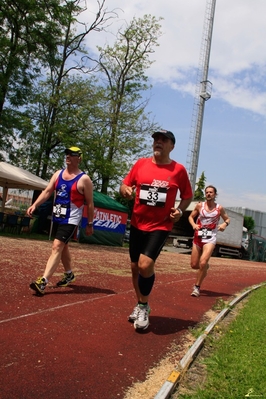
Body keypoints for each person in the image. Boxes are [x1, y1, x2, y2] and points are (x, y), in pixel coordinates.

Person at [120, 129, 193, 330]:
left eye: (164, 140)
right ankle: (140, 303)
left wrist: (179, 210)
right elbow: (125, 184)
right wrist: (125, 190)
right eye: (156, 139)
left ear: (172, 146)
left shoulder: (178, 170)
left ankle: (143, 306)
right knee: (135, 267)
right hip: (137, 223)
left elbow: (188, 196)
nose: (158, 142)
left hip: (160, 226)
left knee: (145, 265)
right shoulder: (140, 164)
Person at [27, 146, 94, 295]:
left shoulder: (84, 179)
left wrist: (89, 223)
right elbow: (47, 191)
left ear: (79, 158)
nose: (68, 156)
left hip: (71, 219)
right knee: (63, 247)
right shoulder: (58, 174)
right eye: (67, 154)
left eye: (72, 154)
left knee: (57, 246)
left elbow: (90, 203)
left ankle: (43, 281)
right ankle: (69, 274)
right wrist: (35, 205)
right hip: (58, 217)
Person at [188, 185, 230, 297]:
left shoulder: (219, 208)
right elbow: (190, 217)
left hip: (210, 238)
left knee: (202, 262)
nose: (208, 194)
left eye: (211, 192)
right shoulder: (199, 206)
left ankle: (196, 287)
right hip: (198, 237)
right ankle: (205, 267)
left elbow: (227, 219)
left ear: (215, 194)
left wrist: (224, 224)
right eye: (207, 192)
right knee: (194, 265)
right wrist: (193, 225)